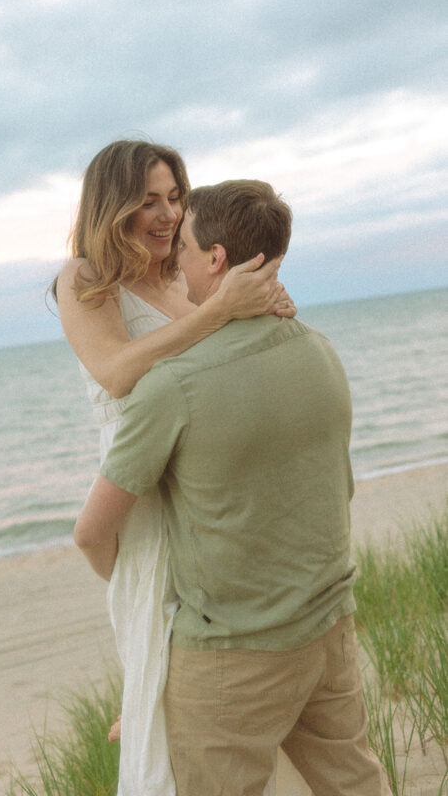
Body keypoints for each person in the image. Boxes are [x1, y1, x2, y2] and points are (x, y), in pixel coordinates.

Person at [74, 180, 392, 796]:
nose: (175, 260)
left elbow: (92, 532)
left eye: (185, 247)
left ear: (216, 259)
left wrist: (141, 601)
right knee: (357, 785)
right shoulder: (320, 352)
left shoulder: (171, 387)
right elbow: (333, 489)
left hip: (231, 657)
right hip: (329, 627)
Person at [55, 142, 294, 796]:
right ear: (113, 204)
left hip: (206, 482)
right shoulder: (82, 278)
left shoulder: (183, 278)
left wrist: (268, 312)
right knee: (155, 631)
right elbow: (115, 369)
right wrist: (220, 311)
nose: (165, 214)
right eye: (148, 200)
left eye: (174, 197)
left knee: (219, 655)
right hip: (141, 492)